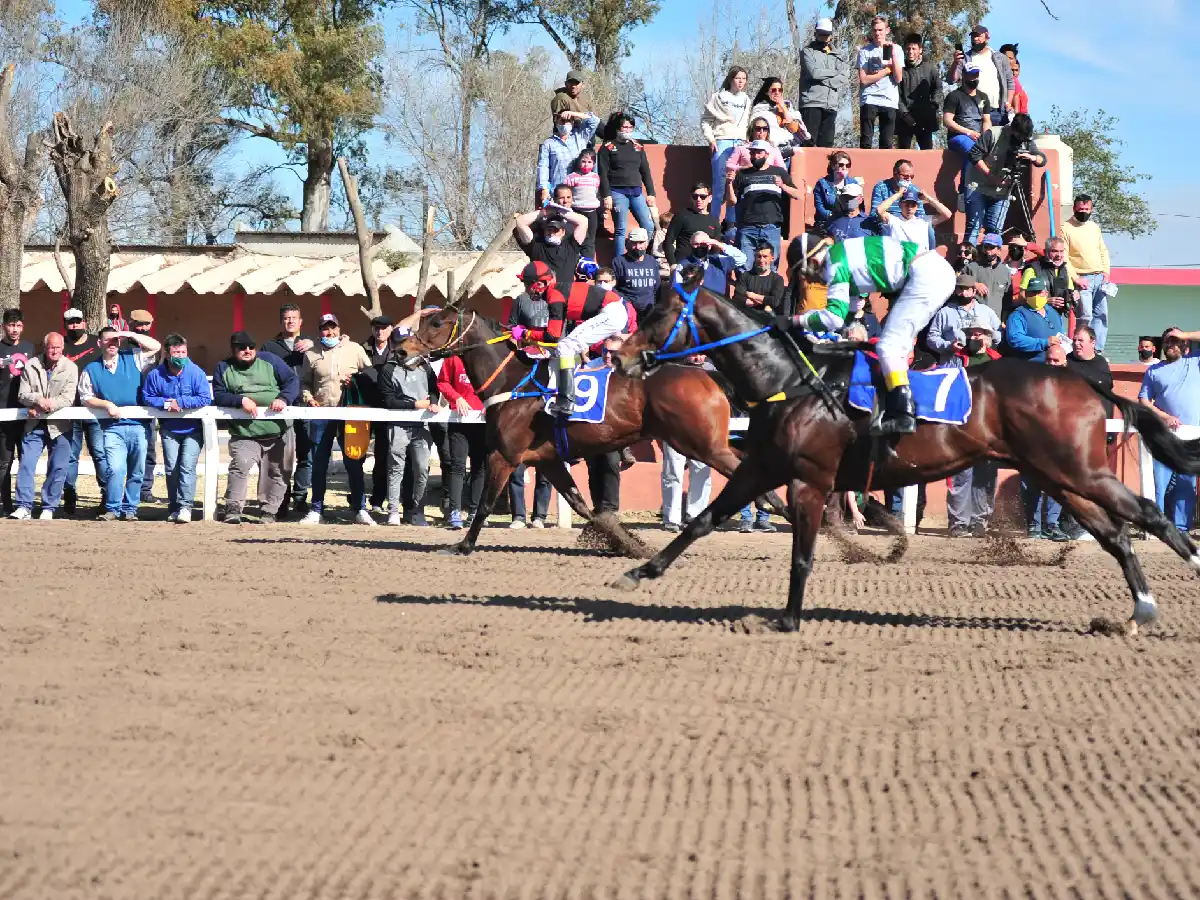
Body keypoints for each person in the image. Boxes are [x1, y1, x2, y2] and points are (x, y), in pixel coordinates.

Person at [787, 235, 955, 436]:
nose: (811, 281)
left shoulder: (834, 262)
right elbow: (847, 315)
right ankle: (893, 403)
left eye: (805, 274)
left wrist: (793, 321)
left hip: (926, 275)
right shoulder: (841, 255)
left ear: (813, 261)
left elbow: (834, 318)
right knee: (895, 346)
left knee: (889, 347)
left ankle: (903, 414)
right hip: (930, 272)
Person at [212, 331, 299, 525]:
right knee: (240, 465)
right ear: (233, 349)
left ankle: (269, 511)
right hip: (245, 432)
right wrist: (240, 400)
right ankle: (233, 509)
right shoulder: (223, 367)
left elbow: (292, 381)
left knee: (278, 471)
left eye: (251, 347)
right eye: (242, 348)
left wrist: (283, 398)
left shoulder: (270, 360)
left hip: (279, 430)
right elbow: (219, 394)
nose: (247, 351)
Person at [77, 325, 161, 521]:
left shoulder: (133, 357)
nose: (112, 343)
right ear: (100, 343)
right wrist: (106, 404)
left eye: (116, 340)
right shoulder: (91, 368)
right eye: (108, 340)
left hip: (139, 425)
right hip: (112, 427)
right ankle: (113, 508)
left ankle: (131, 509)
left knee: (137, 470)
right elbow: (85, 397)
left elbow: (156, 346)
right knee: (115, 468)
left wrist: (129, 334)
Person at [299, 313, 375, 526]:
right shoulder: (311, 354)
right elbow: (305, 382)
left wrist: (357, 382)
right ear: (320, 331)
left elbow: (370, 376)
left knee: (353, 462)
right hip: (322, 413)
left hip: (350, 414)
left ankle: (360, 509)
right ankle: (316, 509)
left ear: (339, 329)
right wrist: (308, 398)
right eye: (325, 328)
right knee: (319, 463)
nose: (330, 332)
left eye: (333, 327)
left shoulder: (355, 349)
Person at [141, 333, 211, 523]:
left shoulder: (195, 372)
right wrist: (166, 404)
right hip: (169, 430)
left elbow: (205, 397)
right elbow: (148, 397)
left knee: (187, 467)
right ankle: (174, 507)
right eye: (176, 352)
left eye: (183, 352)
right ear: (167, 353)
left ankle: (185, 506)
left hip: (193, 430)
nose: (180, 356)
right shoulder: (155, 375)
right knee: (172, 468)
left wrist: (181, 402)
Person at [1138, 327, 1200, 533]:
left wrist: (1184, 334)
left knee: (1185, 485)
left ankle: (1181, 529)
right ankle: (1158, 526)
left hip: (1191, 436)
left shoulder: (1195, 362)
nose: (1171, 344)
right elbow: (1144, 400)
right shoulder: (1154, 370)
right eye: (1168, 341)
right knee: (1159, 483)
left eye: (1175, 340)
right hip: (1164, 435)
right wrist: (1165, 417)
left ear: (1184, 344)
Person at [10, 333, 77, 521]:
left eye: (58, 347)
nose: (54, 351)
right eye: (51, 347)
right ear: (45, 347)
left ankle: (49, 507)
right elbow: (22, 394)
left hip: (60, 426)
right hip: (34, 424)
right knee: (26, 464)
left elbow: (68, 398)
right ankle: (24, 506)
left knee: (58, 467)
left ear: (63, 348)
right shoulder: (31, 365)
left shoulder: (71, 367)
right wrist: (38, 399)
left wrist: (49, 404)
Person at [261, 304, 316, 518]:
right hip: (282, 405)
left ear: (300, 321)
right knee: (282, 456)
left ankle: (300, 499)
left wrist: (313, 345)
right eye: (286, 318)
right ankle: (281, 500)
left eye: (294, 318)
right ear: (281, 321)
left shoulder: (311, 343)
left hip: (307, 404)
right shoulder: (269, 346)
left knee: (306, 454)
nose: (290, 321)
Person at [378, 329, 437, 527]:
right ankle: (393, 511)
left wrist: (433, 402)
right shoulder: (388, 369)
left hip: (422, 426)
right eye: (399, 342)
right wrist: (414, 405)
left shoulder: (424, 366)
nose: (404, 345)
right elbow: (388, 400)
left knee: (422, 468)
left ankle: (417, 510)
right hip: (398, 426)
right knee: (396, 469)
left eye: (407, 340)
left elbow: (434, 389)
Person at [964, 113, 1045, 244]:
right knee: (974, 227)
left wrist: (1033, 157)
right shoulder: (993, 134)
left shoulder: (1026, 140)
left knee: (995, 231)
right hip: (978, 185)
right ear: (1013, 129)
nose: (1020, 140)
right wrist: (991, 176)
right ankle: (967, 254)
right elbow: (974, 155)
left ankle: (989, 254)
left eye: (1023, 137)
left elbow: (1042, 160)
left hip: (1002, 190)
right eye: (1019, 136)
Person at [61, 307, 106, 515]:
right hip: (69, 410)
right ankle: (69, 497)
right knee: (71, 456)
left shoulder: (97, 344)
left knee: (99, 453)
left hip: (94, 410)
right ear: (65, 324)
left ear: (84, 322)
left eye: (77, 321)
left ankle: (107, 496)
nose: (74, 326)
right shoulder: (60, 345)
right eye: (70, 322)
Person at [1024, 344, 1071, 542]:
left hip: (1059, 441)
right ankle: (1033, 525)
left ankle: (1051, 525)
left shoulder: (1072, 386)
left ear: (1064, 363)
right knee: (1031, 483)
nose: (1051, 363)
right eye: (1049, 360)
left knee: (1057, 483)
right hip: (1033, 440)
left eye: (1056, 360)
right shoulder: (1031, 383)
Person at [730, 140, 802, 265]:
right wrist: (728, 183)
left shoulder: (779, 172)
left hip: (771, 228)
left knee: (771, 268)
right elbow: (732, 201)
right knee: (745, 267)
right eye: (752, 153)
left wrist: (782, 185)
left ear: (767, 154)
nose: (755, 156)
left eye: (759, 153)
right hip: (748, 228)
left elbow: (797, 194)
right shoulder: (742, 174)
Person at [598, 112, 657, 257]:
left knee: (649, 226)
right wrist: (606, 195)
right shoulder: (607, 147)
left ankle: (638, 256)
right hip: (617, 192)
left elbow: (645, 171)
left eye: (630, 127)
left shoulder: (638, 147)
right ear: (618, 128)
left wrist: (651, 193)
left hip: (636, 192)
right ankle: (619, 262)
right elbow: (602, 174)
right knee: (621, 229)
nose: (628, 130)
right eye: (625, 127)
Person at [436, 352, 484, 530]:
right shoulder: (453, 358)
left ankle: (475, 511)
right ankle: (455, 511)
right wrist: (457, 398)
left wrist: (489, 404)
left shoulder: (485, 355)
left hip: (482, 422)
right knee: (457, 466)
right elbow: (442, 382)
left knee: (480, 466)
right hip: (458, 421)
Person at [1061, 194, 1113, 351]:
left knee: (1101, 315)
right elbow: (1064, 256)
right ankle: (1081, 348)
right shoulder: (1065, 228)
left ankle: (1097, 350)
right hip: (1082, 279)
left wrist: (1106, 271)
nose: (1083, 212)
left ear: (1091, 210)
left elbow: (1103, 250)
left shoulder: (1094, 227)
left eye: (1086, 209)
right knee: (1085, 316)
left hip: (1100, 277)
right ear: (1074, 209)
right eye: (1080, 209)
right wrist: (1075, 278)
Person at [701, 66, 751, 223]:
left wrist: (746, 138)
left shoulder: (746, 99)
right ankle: (713, 222)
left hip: (740, 143)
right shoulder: (719, 97)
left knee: (735, 184)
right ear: (731, 79)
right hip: (722, 141)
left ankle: (731, 223)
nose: (741, 81)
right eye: (738, 78)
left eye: (743, 78)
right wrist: (711, 139)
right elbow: (706, 121)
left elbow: (746, 123)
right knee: (719, 184)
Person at [925, 273, 1002, 365]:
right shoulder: (945, 313)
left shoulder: (986, 311)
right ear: (955, 291)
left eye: (967, 289)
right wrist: (949, 346)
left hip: (982, 364)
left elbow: (1000, 333)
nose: (964, 293)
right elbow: (931, 339)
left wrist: (988, 336)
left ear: (974, 291)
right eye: (960, 289)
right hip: (954, 364)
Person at [359, 315, 394, 514]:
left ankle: (378, 499)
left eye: (383, 328)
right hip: (364, 406)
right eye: (376, 328)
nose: (380, 332)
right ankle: (358, 499)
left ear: (390, 329)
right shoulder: (362, 349)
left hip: (388, 409)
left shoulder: (397, 350)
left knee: (383, 456)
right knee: (357, 455)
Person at [0, 309, 34, 513]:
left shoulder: (30, 348)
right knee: (4, 462)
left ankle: (25, 503)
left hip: (26, 413)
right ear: (4, 326)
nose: (14, 329)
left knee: (26, 459)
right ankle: (5, 503)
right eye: (11, 325)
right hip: (3, 412)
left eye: (18, 325)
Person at [942, 65, 993, 196]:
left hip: (978, 139)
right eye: (971, 75)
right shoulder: (954, 96)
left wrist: (985, 137)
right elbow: (947, 121)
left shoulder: (984, 97)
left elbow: (986, 120)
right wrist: (968, 132)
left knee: (977, 153)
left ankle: (968, 192)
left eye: (976, 74)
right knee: (973, 150)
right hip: (958, 137)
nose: (974, 78)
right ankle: (966, 190)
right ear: (964, 75)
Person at [948, 24, 1013, 125]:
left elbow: (1010, 82)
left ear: (987, 37)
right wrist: (955, 63)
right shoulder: (966, 58)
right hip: (974, 112)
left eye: (978, 36)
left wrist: (1008, 102)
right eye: (973, 36)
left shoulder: (1000, 58)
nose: (975, 39)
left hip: (998, 111)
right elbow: (951, 80)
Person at [536, 108, 600, 209]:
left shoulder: (580, 137)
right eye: (562, 120)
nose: (565, 123)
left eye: (568, 121)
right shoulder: (548, 144)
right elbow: (543, 167)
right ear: (556, 122)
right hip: (558, 192)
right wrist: (544, 189)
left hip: (580, 194)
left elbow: (595, 121)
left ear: (573, 123)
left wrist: (573, 113)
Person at [126, 309, 159, 505]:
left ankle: (145, 489)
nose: (144, 327)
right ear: (131, 324)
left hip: (147, 405)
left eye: (147, 324)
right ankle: (124, 490)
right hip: (126, 403)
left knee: (149, 449)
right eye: (140, 324)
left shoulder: (152, 345)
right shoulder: (122, 346)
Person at [514, 206, 588, 293]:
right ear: (544, 231)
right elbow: (520, 222)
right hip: (542, 296)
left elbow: (583, 221)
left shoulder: (571, 246)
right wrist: (546, 212)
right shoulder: (536, 247)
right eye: (549, 230)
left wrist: (559, 211)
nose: (552, 233)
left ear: (563, 232)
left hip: (566, 296)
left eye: (556, 230)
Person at [799, 18, 848, 147]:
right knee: (808, 143)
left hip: (831, 105)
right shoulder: (807, 52)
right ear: (815, 34)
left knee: (827, 146)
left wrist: (824, 77)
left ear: (831, 36)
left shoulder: (838, 54)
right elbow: (813, 73)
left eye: (826, 34)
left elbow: (844, 76)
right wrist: (834, 72)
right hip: (811, 103)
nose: (823, 37)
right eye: (820, 34)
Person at [857, 15, 903, 149]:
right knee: (866, 142)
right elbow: (864, 79)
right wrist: (886, 70)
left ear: (887, 30)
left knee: (886, 143)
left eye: (880, 30)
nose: (877, 33)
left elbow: (898, 78)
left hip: (889, 100)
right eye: (875, 30)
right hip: (869, 99)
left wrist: (893, 56)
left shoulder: (896, 49)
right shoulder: (865, 51)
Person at [1003, 276, 1067, 362]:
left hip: (1055, 364)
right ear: (1026, 294)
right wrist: (1044, 342)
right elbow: (1015, 339)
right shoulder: (1018, 315)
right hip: (1032, 366)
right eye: (1032, 292)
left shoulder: (1054, 313)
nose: (1036, 296)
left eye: (1039, 292)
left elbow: (1062, 335)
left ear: (1046, 293)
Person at [896, 33, 942, 150]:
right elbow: (896, 94)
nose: (910, 52)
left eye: (914, 49)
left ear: (920, 50)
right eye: (908, 49)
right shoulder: (899, 69)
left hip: (925, 119)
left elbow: (938, 89)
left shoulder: (930, 68)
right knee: (903, 154)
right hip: (904, 119)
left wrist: (933, 105)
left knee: (927, 153)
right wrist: (904, 114)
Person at [875, 185, 951, 252]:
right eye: (906, 205)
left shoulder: (924, 221)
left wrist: (928, 198)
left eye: (913, 205)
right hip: (900, 261)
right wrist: (898, 194)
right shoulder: (893, 220)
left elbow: (947, 214)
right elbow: (879, 210)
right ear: (900, 205)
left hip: (919, 261)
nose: (910, 208)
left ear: (917, 206)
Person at [748, 77, 808, 159]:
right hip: (770, 150)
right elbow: (755, 131)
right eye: (773, 90)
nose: (777, 93)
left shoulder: (787, 106)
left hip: (789, 148)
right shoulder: (760, 109)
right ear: (767, 92)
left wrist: (783, 108)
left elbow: (794, 129)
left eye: (780, 90)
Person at [672, 231, 747, 295]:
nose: (699, 247)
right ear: (691, 245)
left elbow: (742, 259)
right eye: (696, 244)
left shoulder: (720, 260)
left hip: (718, 304)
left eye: (703, 244)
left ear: (709, 246)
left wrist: (717, 243)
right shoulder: (683, 265)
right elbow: (677, 289)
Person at [663, 183, 721, 266]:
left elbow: (716, 249)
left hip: (704, 266)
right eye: (695, 196)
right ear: (691, 198)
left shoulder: (714, 221)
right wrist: (673, 264)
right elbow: (668, 241)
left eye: (703, 196)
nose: (698, 199)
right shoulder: (682, 215)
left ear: (710, 198)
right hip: (683, 266)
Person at [610, 226, 660, 319]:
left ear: (646, 243)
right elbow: (613, 287)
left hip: (648, 311)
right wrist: (626, 303)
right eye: (634, 243)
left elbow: (656, 287)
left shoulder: (652, 261)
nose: (637, 247)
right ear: (628, 243)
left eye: (641, 243)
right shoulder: (619, 262)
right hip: (627, 311)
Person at [1020, 236, 1076, 316]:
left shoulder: (1064, 270)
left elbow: (1069, 290)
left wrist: (1074, 295)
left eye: (1061, 251)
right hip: (1037, 315)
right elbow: (1022, 296)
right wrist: (1045, 301)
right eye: (1054, 251)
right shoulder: (1032, 269)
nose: (1059, 255)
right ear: (1045, 252)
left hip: (1058, 316)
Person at [965, 232, 1015, 322]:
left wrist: (1004, 320)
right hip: (974, 320)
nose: (988, 251)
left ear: (999, 250)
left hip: (996, 321)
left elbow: (1007, 301)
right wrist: (974, 284)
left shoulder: (1005, 272)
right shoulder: (972, 267)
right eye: (985, 247)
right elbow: (957, 282)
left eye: (991, 247)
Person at [564, 148, 602, 259]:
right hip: (577, 212)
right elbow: (565, 192)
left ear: (593, 164)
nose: (586, 164)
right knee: (576, 237)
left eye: (589, 162)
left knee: (591, 239)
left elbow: (597, 193)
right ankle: (574, 259)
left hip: (592, 213)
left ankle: (589, 261)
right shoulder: (572, 177)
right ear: (579, 162)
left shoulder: (596, 177)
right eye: (584, 161)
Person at [733, 244, 788, 315]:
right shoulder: (745, 276)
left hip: (768, 317)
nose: (761, 260)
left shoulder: (777, 279)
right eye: (759, 256)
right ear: (755, 257)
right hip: (746, 315)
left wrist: (752, 295)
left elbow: (775, 301)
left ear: (772, 258)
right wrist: (762, 302)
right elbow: (737, 297)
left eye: (765, 256)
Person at [812, 151, 852, 231]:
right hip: (826, 222)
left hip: (847, 222)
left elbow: (856, 205)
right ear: (833, 166)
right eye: (841, 165)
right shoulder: (822, 184)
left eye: (847, 165)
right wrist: (835, 216)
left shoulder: (853, 183)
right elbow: (820, 208)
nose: (844, 168)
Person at [999, 46, 1029, 115]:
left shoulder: (1015, 81)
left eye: (1011, 58)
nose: (1014, 73)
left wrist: (1016, 114)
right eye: (1005, 58)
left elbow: (1016, 96)